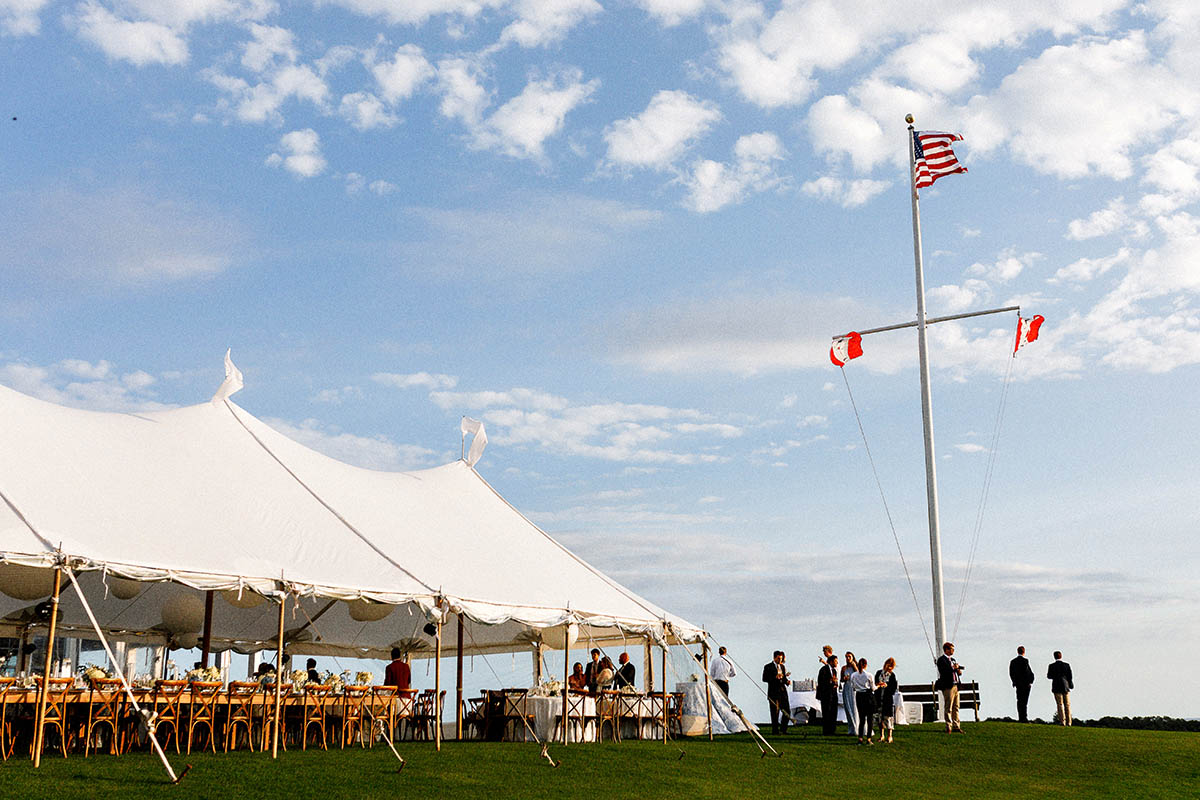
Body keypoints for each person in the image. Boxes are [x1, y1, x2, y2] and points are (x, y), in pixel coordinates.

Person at [935, 642, 965, 733]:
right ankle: (948, 726)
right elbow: (945, 672)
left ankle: (956, 725)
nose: (953, 651)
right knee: (949, 707)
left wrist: (958, 671)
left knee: (956, 706)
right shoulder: (941, 660)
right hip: (948, 686)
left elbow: (954, 671)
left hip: (956, 685)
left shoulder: (953, 660)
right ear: (946, 650)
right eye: (951, 649)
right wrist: (953, 668)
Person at [761, 651, 791, 735]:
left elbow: (783, 678)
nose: (780, 660)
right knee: (775, 713)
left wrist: (787, 682)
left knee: (787, 711)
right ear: (774, 658)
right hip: (773, 692)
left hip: (783, 692)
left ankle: (783, 729)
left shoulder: (782, 667)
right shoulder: (768, 667)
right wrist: (775, 677)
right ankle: (775, 730)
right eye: (778, 658)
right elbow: (764, 678)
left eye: (781, 659)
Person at [850, 657, 876, 744]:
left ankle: (860, 738)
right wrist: (879, 686)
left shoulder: (853, 675)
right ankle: (868, 738)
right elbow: (873, 688)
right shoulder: (869, 675)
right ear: (865, 665)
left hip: (859, 696)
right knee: (870, 718)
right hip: (867, 695)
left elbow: (853, 686)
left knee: (861, 718)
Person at [1009, 646, 1035, 723]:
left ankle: (1020, 717)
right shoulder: (1025, 661)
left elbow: (1011, 673)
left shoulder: (1013, 661)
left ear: (1017, 651)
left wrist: (1014, 681)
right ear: (1024, 652)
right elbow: (1028, 672)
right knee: (1025, 701)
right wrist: (1031, 681)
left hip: (1018, 684)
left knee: (1019, 701)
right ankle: (1024, 718)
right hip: (1025, 684)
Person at [1047, 651, 1074, 726]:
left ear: (1054, 656)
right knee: (1067, 705)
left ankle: (1062, 721)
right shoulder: (1066, 665)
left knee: (1060, 704)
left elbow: (1049, 676)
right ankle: (1069, 722)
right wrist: (1070, 684)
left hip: (1056, 686)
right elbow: (1070, 676)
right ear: (1061, 656)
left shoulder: (1051, 666)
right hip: (1065, 686)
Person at [875, 657, 898, 744]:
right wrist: (878, 685)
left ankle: (889, 736)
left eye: (891, 667)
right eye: (888, 666)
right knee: (880, 717)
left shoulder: (892, 676)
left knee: (888, 717)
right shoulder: (879, 673)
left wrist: (886, 686)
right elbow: (875, 683)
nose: (889, 668)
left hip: (887, 699)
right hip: (879, 697)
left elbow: (893, 688)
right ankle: (881, 735)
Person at [816, 654, 840, 736]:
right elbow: (821, 682)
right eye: (835, 661)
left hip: (833, 693)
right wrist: (830, 681)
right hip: (826, 694)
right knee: (826, 712)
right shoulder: (824, 670)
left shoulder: (835, 671)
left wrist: (836, 684)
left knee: (833, 712)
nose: (837, 663)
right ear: (831, 662)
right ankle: (826, 731)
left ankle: (832, 730)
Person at [840, 650, 858, 736]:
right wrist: (844, 678)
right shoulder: (844, 668)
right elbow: (841, 680)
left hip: (854, 689)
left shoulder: (856, 667)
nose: (847, 658)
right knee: (848, 709)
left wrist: (855, 666)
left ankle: (858, 728)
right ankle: (851, 728)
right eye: (846, 657)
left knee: (855, 708)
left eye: (849, 657)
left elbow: (859, 676)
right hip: (847, 688)